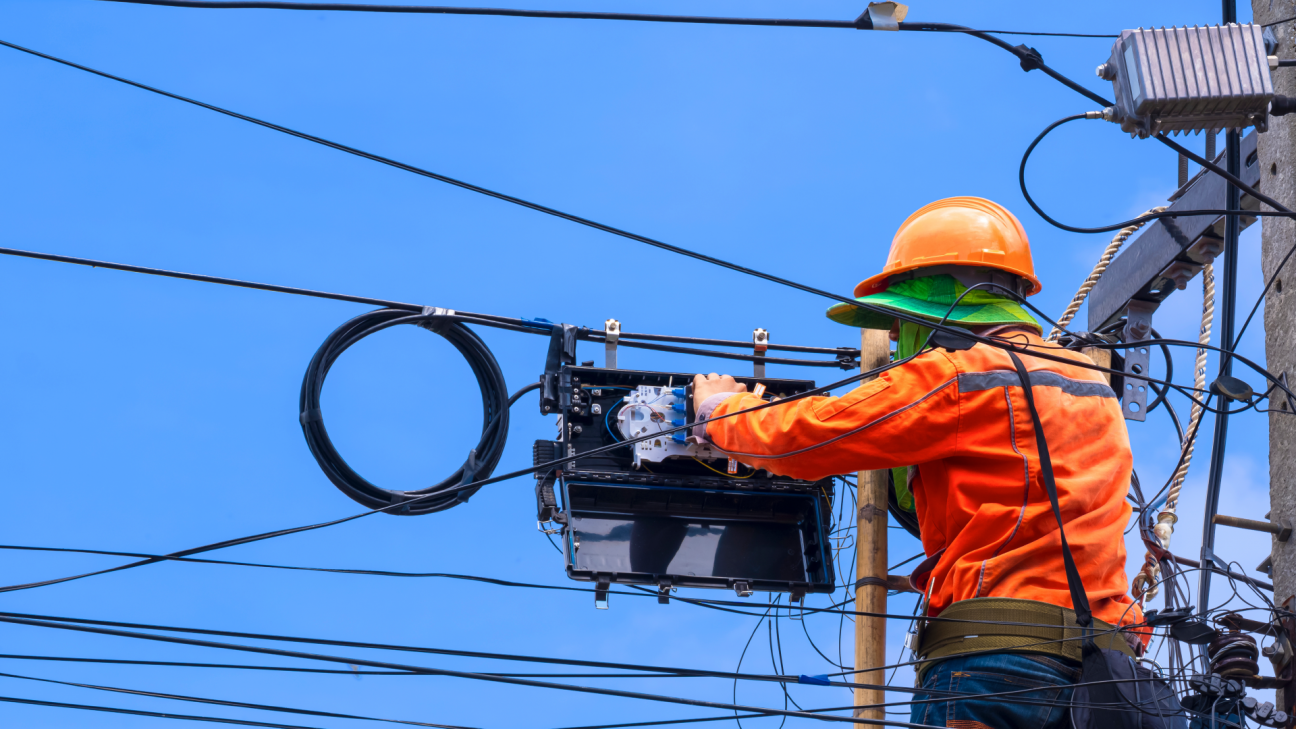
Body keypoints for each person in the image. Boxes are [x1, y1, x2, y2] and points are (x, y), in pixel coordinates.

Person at [691, 197, 1147, 729]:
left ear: (932, 310)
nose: (893, 343)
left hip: (993, 666)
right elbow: (1035, 513)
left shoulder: (959, 374)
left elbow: (815, 433)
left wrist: (719, 412)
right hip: (1105, 679)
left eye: (896, 324)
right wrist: (932, 576)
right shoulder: (1091, 384)